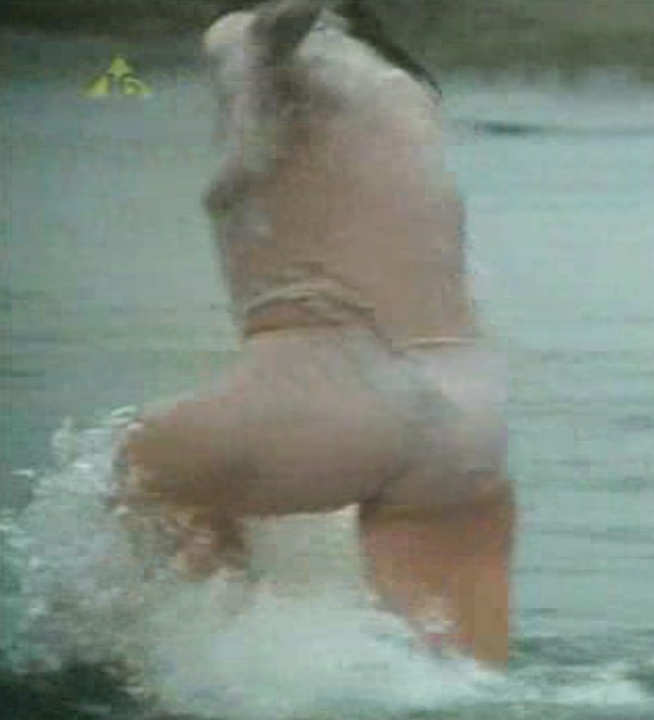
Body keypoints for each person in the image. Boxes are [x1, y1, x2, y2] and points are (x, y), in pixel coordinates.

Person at [114, 0, 515, 667]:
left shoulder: (247, 36)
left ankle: (201, 675)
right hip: (467, 409)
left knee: (146, 466)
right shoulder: (401, 86)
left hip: (339, 379)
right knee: (466, 681)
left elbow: (271, 34)